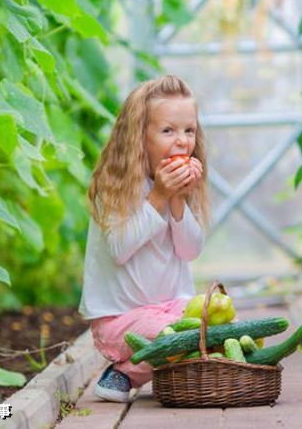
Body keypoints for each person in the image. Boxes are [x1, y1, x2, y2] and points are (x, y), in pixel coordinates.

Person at [79, 75, 210, 403]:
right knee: (187, 336)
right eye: (168, 131)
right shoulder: (115, 184)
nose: (181, 141)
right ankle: (125, 371)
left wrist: (178, 199)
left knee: (220, 326)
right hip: (120, 319)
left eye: (188, 130)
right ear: (139, 136)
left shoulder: (180, 185)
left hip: (172, 308)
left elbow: (190, 250)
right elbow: (120, 249)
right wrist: (160, 197)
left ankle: (140, 372)